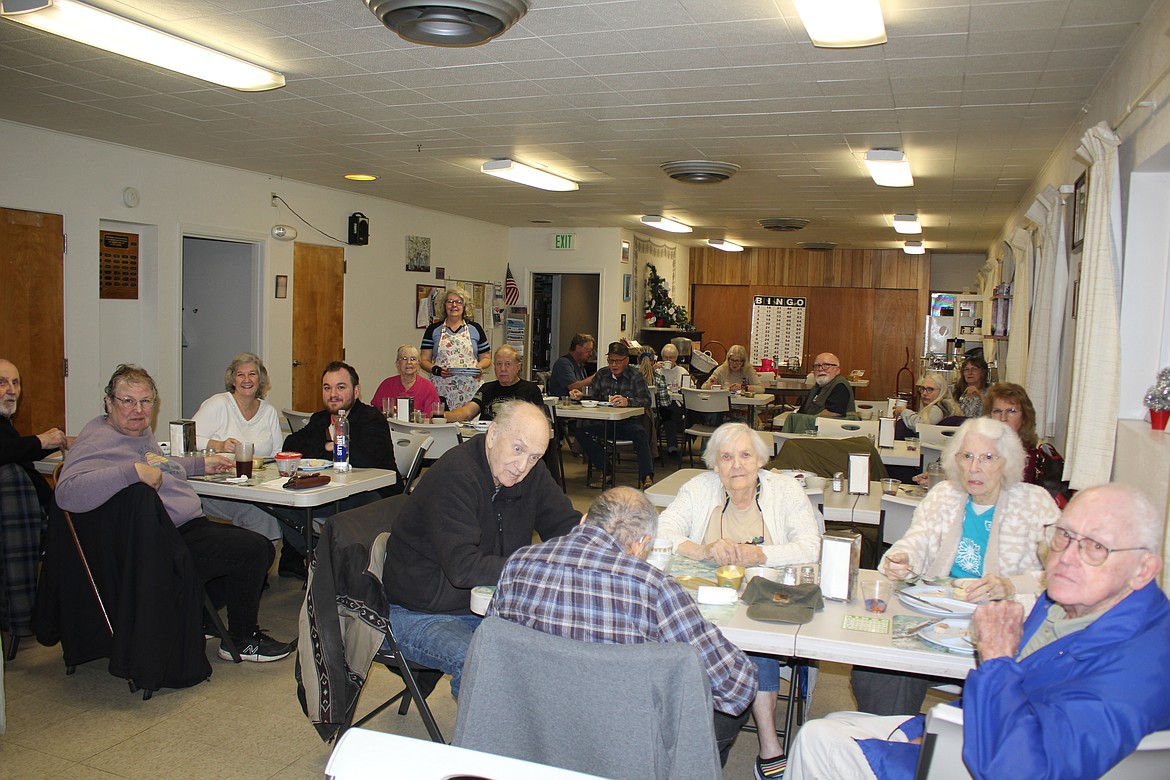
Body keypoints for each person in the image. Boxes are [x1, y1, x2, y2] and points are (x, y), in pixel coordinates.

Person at [787, 484, 1170, 780]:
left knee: (817, 741)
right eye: (1064, 536)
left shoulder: (1137, 666)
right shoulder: (1071, 603)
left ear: (1144, 569)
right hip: (984, 732)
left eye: (1096, 548)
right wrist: (944, 728)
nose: (1068, 557)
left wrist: (998, 659)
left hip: (992, 761)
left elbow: (1024, 770)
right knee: (834, 722)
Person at [489, 487, 758, 765]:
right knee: (723, 711)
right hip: (625, 742)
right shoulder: (653, 587)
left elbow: (493, 652)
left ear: (583, 521)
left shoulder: (518, 564)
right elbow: (736, 686)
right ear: (642, 544)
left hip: (535, 726)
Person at [55, 364, 293, 662]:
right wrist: (130, 472)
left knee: (253, 545)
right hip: (165, 541)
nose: (137, 409)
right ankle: (242, 638)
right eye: (127, 401)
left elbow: (160, 462)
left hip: (185, 527)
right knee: (255, 549)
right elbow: (68, 491)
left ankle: (199, 618)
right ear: (109, 403)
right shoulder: (98, 439)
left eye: (145, 401)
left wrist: (201, 465)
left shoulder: (137, 434)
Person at [851, 416, 1061, 716]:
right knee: (875, 668)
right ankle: (892, 744)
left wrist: (1011, 585)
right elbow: (917, 541)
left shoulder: (1035, 503)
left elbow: (1062, 575)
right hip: (936, 619)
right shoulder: (942, 495)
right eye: (967, 456)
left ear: (1008, 462)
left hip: (1003, 628)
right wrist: (902, 559)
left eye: (988, 457)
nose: (975, 467)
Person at [382, 401, 579, 699]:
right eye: (517, 449)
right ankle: (481, 742)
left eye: (535, 456)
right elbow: (463, 568)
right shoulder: (456, 474)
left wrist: (597, 541)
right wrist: (534, 566)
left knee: (555, 647)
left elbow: (566, 525)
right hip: (416, 611)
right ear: (492, 434)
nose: (523, 466)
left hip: (484, 604)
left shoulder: (530, 473)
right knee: (486, 662)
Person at [657, 422, 821, 779]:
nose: (736, 465)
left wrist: (758, 555)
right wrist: (703, 549)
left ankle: (768, 742)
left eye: (746, 455)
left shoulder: (785, 491)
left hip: (765, 597)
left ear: (760, 460)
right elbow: (663, 531)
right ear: (715, 465)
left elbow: (810, 547)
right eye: (726, 457)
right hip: (705, 598)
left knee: (754, 639)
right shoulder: (699, 489)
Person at [278, 361, 398, 573]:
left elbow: (367, 459)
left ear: (356, 390)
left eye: (340, 387)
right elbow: (291, 445)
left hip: (371, 494)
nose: (333, 394)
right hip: (331, 492)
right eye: (327, 388)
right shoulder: (320, 419)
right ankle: (318, 556)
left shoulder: (371, 419)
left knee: (363, 506)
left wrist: (330, 447)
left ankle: (334, 563)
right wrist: (329, 445)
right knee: (284, 504)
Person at [0, 358, 69, 639]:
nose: (12, 390)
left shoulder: (5, 425)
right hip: (39, 523)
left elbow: (12, 449)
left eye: (16, 383)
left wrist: (51, 443)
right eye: (2, 382)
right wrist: (41, 441)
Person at [190, 352, 284, 546]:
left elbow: (277, 453)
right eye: (241, 375)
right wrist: (220, 445)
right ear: (232, 380)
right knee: (260, 513)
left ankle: (259, 560)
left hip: (258, 485)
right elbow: (188, 438)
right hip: (218, 487)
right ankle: (255, 563)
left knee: (281, 511)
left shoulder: (269, 412)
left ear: (261, 379)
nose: (247, 380)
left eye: (252, 374)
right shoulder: (219, 404)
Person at [576, 341, 655, 489]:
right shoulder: (602, 374)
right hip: (605, 421)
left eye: (618, 361)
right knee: (582, 433)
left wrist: (628, 401)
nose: (614, 365)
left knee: (640, 433)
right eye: (611, 361)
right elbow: (593, 395)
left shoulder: (635, 376)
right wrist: (581, 396)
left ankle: (647, 476)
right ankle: (606, 469)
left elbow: (646, 400)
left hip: (628, 422)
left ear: (626, 360)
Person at [419, 287, 491, 410]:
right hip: (441, 389)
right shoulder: (433, 330)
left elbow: (486, 358)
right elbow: (424, 360)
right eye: (450, 301)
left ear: (465, 306)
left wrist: (479, 367)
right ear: (444, 305)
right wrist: (437, 370)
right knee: (442, 423)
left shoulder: (475, 328)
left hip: (470, 388)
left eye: (458, 302)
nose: (454, 305)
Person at [442, 345, 543, 422]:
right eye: (499, 364)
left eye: (508, 364)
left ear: (518, 367)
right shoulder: (486, 388)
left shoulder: (531, 390)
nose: (503, 369)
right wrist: (442, 416)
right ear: (494, 366)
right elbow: (467, 412)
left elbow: (540, 422)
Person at [781, 352, 856, 434]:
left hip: (832, 431)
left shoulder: (840, 385)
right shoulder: (817, 387)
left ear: (837, 370)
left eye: (826, 365)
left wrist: (808, 419)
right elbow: (804, 410)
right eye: (817, 366)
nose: (820, 369)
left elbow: (834, 412)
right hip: (816, 427)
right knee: (792, 417)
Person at [369, 344, 440, 420]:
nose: (409, 362)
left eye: (413, 359)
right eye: (404, 358)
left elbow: (432, 417)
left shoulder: (428, 387)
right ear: (398, 363)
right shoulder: (386, 384)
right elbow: (373, 413)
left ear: (418, 363)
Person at [637, 349, 680, 462]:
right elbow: (665, 403)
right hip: (653, 414)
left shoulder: (631, 376)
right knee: (670, 413)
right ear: (654, 361)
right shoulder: (659, 378)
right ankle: (672, 447)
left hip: (634, 413)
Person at [548, 332, 594, 398]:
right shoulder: (563, 363)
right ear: (578, 348)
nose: (590, 354)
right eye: (589, 351)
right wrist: (596, 376)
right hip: (563, 404)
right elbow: (573, 387)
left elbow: (583, 389)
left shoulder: (580, 366)